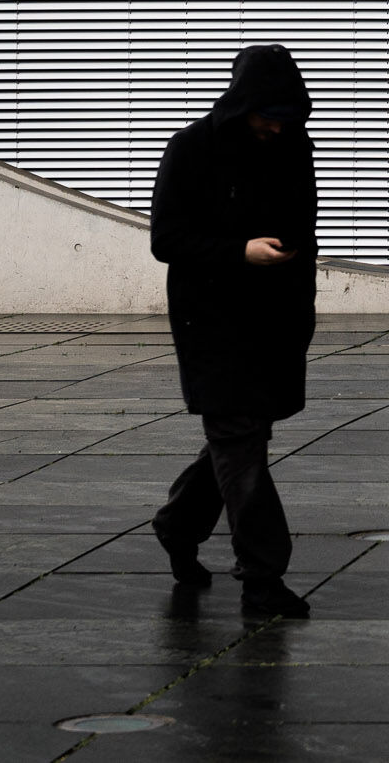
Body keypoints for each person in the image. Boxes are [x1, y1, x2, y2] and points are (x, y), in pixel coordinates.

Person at [148, 42, 318, 619]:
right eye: (269, 115)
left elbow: (304, 226)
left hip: (274, 318)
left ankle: (178, 525)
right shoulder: (192, 148)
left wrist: (299, 310)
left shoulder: (292, 146)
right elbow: (167, 240)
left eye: (288, 117)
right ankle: (263, 578)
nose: (277, 126)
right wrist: (240, 251)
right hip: (210, 321)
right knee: (239, 439)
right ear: (243, 104)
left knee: (241, 436)